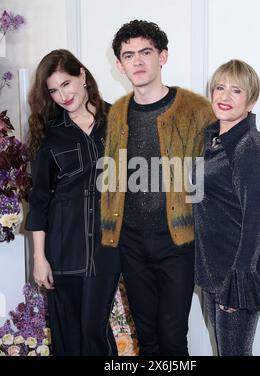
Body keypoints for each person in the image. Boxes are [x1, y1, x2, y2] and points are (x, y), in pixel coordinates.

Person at [100, 20, 215, 356]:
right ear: (119, 65)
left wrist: (257, 200)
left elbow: (221, 164)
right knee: (147, 338)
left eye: (145, 52)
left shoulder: (196, 109)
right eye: (129, 55)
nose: (137, 61)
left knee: (173, 337)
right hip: (131, 243)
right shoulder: (118, 111)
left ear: (162, 56)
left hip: (177, 241)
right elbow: (110, 174)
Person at [25, 49, 120, 356]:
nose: (62, 95)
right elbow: (39, 201)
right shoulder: (50, 135)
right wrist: (39, 259)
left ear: (82, 75)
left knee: (94, 331)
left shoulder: (117, 119)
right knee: (66, 334)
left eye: (66, 84)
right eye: (53, 90)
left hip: (106, 248)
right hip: (64, 247)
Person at [192, 59, 260, 356]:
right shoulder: (212, 139)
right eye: (219, 88)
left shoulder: (250, 145)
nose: (224, 97)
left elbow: (255, 222)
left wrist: (238, 280)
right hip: (214, 264)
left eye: (236, 91)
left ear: (251, 100)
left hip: (241, 267)